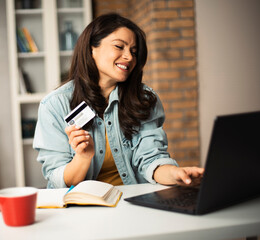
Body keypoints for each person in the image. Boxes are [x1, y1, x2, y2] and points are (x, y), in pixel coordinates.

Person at [33, 13, 204, 189]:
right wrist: (83, 157)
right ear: (92, 48)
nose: (129, 57)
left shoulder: (143, 99)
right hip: (83, 207)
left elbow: (151, 159)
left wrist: (176, 174)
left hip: (134, 201)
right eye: (119, 46)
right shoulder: (55, 105)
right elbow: (56, 178)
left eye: (134, 51)